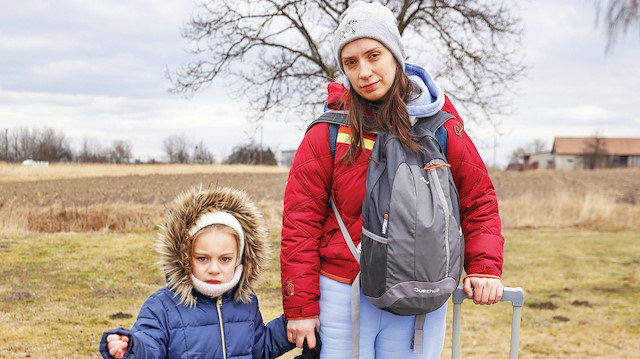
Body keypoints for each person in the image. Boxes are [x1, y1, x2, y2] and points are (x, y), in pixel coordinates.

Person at [280, 1, 504, 358]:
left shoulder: (440, 124)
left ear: (395, 55)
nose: (364, 71)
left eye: (373, 55)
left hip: (421, 288)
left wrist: (485, 267)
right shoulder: (327, 132)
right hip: (342, 292)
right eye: (351, 62)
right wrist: (301, 307)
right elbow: (300, 223)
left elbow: (477, 198)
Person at [99, 186, 296, 359]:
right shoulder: (162, 306)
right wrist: (131, 347)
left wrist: (293, 322)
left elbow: (259, 348)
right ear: (184, 258)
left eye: (224, 259)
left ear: (240, 259)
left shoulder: (246, 302)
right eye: (202, 258)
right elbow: (149, 345)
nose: (213, 269)